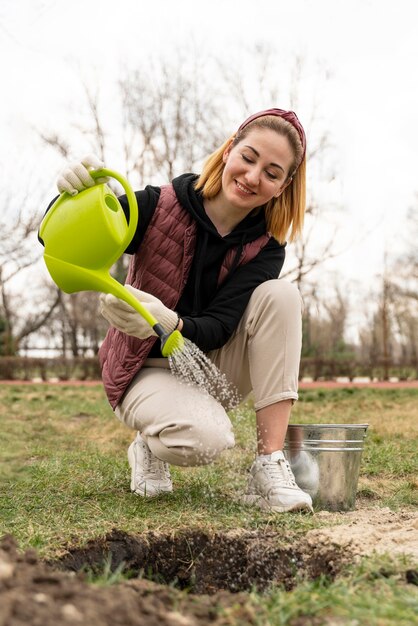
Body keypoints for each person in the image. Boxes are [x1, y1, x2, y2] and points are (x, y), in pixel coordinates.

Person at [54, 107, 314, 513]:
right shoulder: (159, 205)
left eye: (272, 172)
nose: (252, 177)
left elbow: (219, 327)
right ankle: (149, 447)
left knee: (282, 296)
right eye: (248, 158)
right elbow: (58, 237)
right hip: (143, 371)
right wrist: (70, 193)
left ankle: (268, 464)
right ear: (229, 151)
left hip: (205, 363)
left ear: (282, 186)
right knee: (205, 441)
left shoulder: (265, 250)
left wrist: (167, 319)